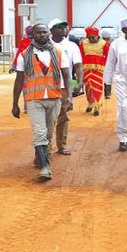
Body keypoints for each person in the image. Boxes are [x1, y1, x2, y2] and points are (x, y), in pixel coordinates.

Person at [12, 23, 71, 181]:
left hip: (54, 97)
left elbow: (67, 75)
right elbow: (18, 80)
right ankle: (45, 167)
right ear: (33, 35)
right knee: (39, 133)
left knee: (49, 133)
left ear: (49, 34)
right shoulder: (24, 55)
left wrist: (69, 96)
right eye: (38, 33)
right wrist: (15, 103)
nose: (42, 35)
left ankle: (41, 157)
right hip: (34, 99)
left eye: (44, 32)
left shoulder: (59, 52)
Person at [103, 18, 127, 152]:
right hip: (121, 81)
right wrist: (107, 83)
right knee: (123, 109)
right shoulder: (116, 44)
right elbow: (110, 64)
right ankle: (123, 139)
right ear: (123, 30)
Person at [49, 18, 83, 155]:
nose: (63, 29)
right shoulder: (45, 45)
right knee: (48, 118)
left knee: (63, 116)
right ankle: (45, 147)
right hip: (47, 87)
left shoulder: (72, 46)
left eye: (65, 26)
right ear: (51, 30)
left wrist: (80, 82)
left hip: (64, 87)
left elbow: (78, 65)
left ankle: (62, 144)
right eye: (59, 27)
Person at [80, 26, 109, 116]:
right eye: (89, 37)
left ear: (97, 36)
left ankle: (97, 106)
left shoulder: (104, 43)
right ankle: (90, 103)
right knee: (88, 87)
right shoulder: (83, 43)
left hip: (99, 68)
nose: (91, 39)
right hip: (86, 68)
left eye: (93, 37)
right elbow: (80, 56)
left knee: (97, 86)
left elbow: (108, 56)